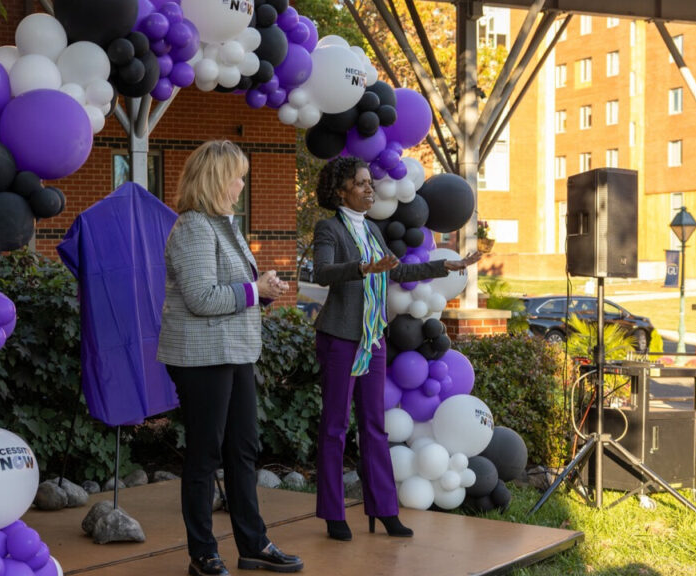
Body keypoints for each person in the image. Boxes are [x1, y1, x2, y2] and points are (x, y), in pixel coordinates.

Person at [311, 156, 482, 541]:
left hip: (373, 339)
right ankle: (333, 514)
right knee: (335, 427)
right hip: (340, 339)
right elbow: (322, 273)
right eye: (361, 183)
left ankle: (385, 510)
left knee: (375, 427)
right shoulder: (329, 229)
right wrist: (360, 268)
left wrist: (447, 267)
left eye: (371, 182)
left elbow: (398, 271)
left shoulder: (372, 228)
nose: (370, 188)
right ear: (341, 191)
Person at [158, 140, 303, 576]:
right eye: (238, 176)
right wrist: (254, 291)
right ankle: (203, 553)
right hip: (200, 356)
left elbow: (236, 291)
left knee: (243, 449)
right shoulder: (193, 227)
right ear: (219, 179)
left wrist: (264, 291)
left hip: (235, 351)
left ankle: (253, 544)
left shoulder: (226, 226)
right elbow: (202, 298)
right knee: (204, 455)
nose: (243, 184)